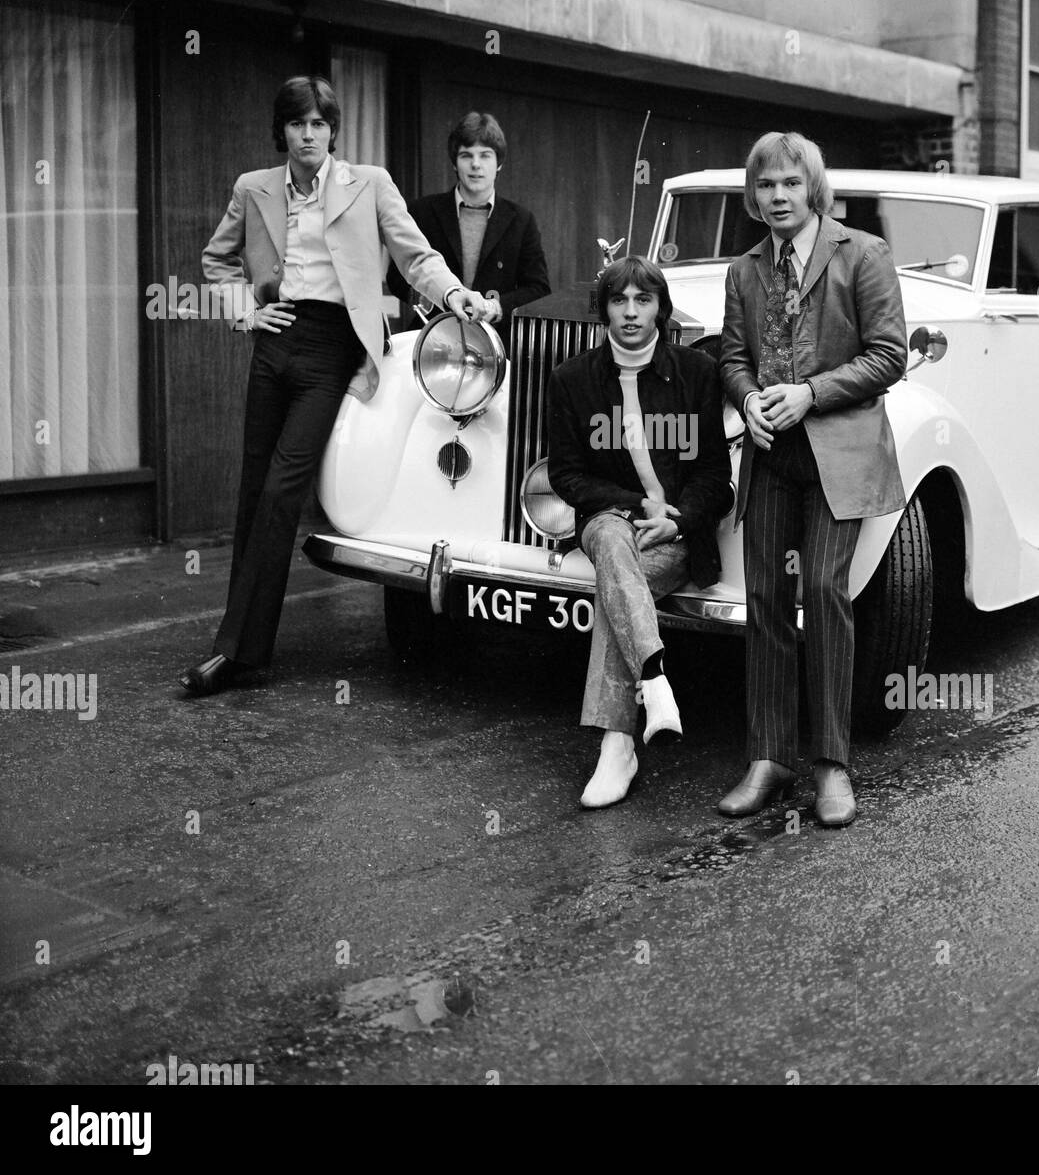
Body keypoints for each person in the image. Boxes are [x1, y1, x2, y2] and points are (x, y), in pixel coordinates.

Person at [180, 75, 498, 697]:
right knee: (253, 494)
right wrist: (246, 308)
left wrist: (455, 294)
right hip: (276, 342)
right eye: (298, 124)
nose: (308, 135)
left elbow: (416, 256)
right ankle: (238, 647)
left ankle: (239, 651)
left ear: (332, 131)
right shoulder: (255, 189)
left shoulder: (370, 183)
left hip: (333, 351)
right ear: (284, 132)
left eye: (319, 125)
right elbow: (215, 262)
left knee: (281, 490)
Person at [718, 132, 907, 826]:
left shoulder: (863, 254)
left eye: (790, 185)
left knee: (824, 590)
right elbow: (732, 358)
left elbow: (889, 357)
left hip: (839, 450)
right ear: (753, 194)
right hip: (770, 453)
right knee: (764, 595)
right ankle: (769, 756)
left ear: (813, 190)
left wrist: (810, 394)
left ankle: (831, 763)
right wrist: (748, 402)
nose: (777, 197)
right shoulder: (744, 271)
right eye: (765, 186)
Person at [547, 257, 732, 808]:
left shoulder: (696, 375)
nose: (630, 312)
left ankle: (619, 744)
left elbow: (714, 479)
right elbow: (566, 476)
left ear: (660, 308)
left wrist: (675, 517)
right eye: (619, 300)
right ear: (603, 308)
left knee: (615, 587)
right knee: (608, 540)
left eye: (642, 300)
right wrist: (635, 505)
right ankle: (651, 685)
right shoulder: (571, 379)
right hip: (610, 519)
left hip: (672, 534)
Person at [392, 111, 550, 339]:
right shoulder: (422, 211)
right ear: (455, 163)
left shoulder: (521, 220)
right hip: (432, 337)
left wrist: (494, 308)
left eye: (485, 155)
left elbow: (539, 289)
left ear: (499, 164)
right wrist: (432, 299)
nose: (476, 164)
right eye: (466, 155)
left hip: (495, 342)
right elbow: (396, 276)